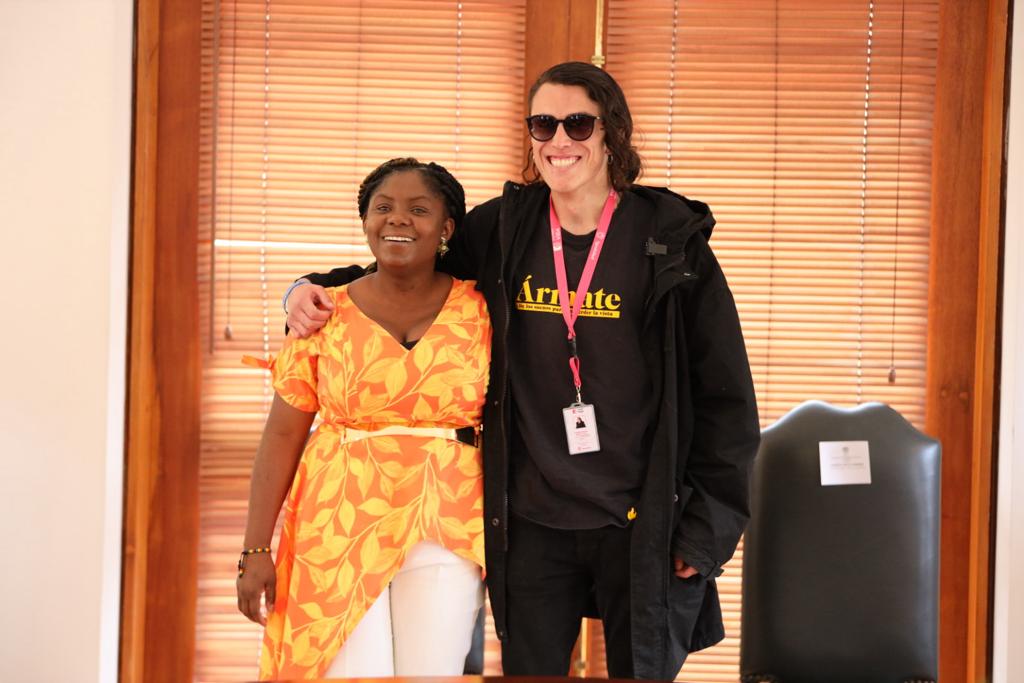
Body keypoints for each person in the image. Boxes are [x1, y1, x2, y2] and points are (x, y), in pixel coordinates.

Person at [284, 62, 760, 679]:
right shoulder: (504, 228)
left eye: (577, 123)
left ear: (611, 132)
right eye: (543, 124)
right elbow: (408, 271)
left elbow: (726, 396)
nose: (559, 140)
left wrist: (707, 530)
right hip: (533, 522)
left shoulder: (668, 239)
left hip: (641, 521)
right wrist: (308, 286)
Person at [236, 159, 491, 680]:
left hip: (447, 525)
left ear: (446, 228)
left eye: (418, 209)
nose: (397, 220)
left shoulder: (484, 309)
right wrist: (255, 548)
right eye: (383, 208)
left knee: (432, 674)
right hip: (336, 526)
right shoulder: (321, 313)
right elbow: (282, 433)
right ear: (366, 221)